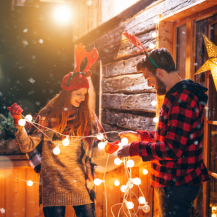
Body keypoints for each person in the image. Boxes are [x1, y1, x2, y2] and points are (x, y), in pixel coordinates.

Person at [7, 44, 107, 217]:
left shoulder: (87, 118)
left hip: (82, 186)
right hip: (53, 186)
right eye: (78, 94)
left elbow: (94, 152)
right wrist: (18, 122)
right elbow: (27, 146)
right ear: (67, 92)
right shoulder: (48, 116)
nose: (82, 99)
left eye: (84, 94)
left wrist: (107, 149)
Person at [117, 48, 210, 217]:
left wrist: (135, 148)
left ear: (159, 72)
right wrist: (141, 136)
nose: (148, 84)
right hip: (177, 182)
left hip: (178, 184)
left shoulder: (181, 100)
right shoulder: (176, 96)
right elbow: (170, 136)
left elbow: (172, 149)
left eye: (148, 78)